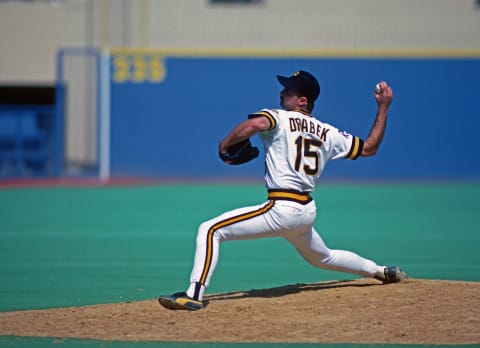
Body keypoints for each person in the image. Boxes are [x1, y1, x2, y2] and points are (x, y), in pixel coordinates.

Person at [158, 70, 405, 311]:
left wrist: (225, 144)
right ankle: (381, 271)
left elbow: (255, 123)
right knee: (324, 258)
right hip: (306, 211)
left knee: (210, 230)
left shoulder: (278, 117)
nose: (282, 92)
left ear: (302, 101)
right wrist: (383, 107)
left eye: (289, 90)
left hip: (282, 208)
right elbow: (370, 147)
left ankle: (193, 295)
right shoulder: (329, 132)